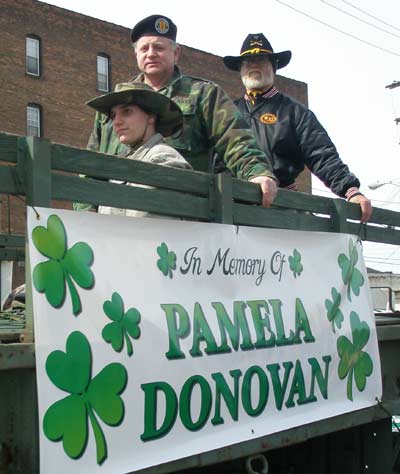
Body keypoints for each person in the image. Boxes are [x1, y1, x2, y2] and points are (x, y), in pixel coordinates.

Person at [87, 15, 278, 208]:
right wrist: (87, 215)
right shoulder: (115, 102)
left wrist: (257, 173)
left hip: (183, 214)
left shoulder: (204, 94)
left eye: (159, 47)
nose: (151, 54)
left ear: (176, 53)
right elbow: (91, 165)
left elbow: (236, 140)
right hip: (117, 217)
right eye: (144, 48)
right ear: (136, 55)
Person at [222, 33, 372, 222]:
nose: (253, 65)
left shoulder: (295, 112)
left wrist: (350, 190)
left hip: (282, 207)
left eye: (261, 60)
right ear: (240, 70)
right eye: (247, 62)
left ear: (273, 67)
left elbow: (322, 154)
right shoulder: (225, 112)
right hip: (232, 207)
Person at [80, 82, 190, 217]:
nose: (116, 122)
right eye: (113, 115)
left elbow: (148, 224)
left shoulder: (162, 157)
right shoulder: (124, 164)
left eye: (126, 111)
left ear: (151, 117)